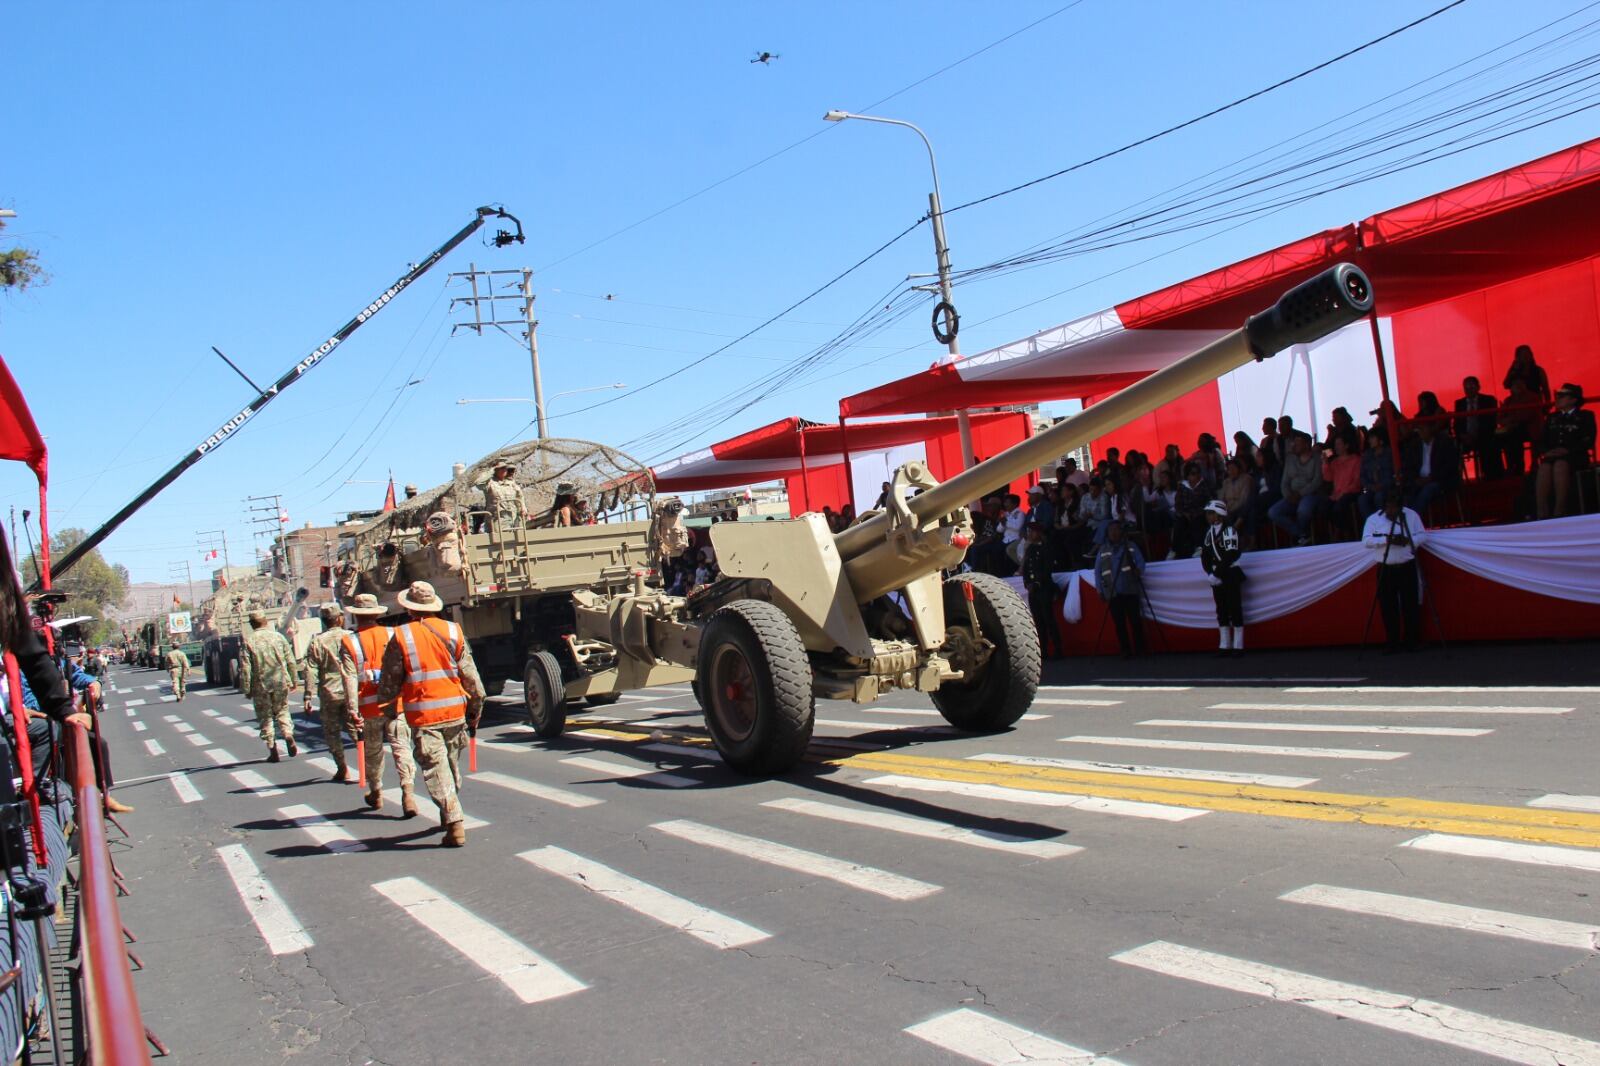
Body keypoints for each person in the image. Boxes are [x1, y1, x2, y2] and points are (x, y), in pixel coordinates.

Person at [375, 581, 486, 847]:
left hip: (424, 716)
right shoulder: (453, 631)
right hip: (455, 713)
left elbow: (390, 681)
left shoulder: (402, 636)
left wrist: (389, 710)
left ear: (409, 609)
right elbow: (472, 679)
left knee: (437, 769)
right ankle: (449, 813)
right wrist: (475, 710)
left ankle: (455, 822)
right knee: (449, 766)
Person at [342, 594, 417, 817]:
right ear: (377, 613)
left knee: (373, 752)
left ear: (355, 615)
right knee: (401, 748)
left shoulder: (349, 642)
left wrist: (352, 711)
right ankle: (408, 793)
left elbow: (349, 678)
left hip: (368, 707)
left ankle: (376, 792)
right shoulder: (392, 633)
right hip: (395, 704)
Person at [301, 604, 359, 783]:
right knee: (356, 728)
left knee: (332, 732)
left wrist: (308, 695)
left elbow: (310, 670)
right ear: (340, 618)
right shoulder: (351, 637)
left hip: (329, 692)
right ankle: (368, 764)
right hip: (352, 691)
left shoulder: (317, 641)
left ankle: (342, 768)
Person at [1362, 494, 1427, 653]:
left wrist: (1409, 540)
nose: (1391, 510)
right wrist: (1386, 540)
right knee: (1387, 606)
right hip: (1385, 567)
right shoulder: (1373, 519)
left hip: (1406, 565)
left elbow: (1423, 535)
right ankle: (1392, 642)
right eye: (1388, 507)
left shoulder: (1411, 515)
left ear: (1400, 506)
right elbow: (1366, 541)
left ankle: (1411, 641)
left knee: (1410, 604)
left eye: (1394, 507)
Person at [237, 610, 300, 762]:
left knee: (265, 717)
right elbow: (290, 660)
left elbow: (246, 668)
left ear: (252, 624)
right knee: (282, 710)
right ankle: (287, 734)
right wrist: (294, 680)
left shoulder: (248, 641)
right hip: (280, 681)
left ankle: (273, 750)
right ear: (266, 621)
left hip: (261, 685)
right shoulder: (278, 637)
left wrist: (246, 688)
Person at [1534, 382, 1596, 519]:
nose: (1557, 398)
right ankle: (1541, 512)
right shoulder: (1552, 418)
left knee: (1560, 466)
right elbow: (1541, 440)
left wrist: (1568, 451)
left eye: (1562, 396)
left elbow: (1588, 439)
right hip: (1553, 456)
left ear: (1573, 399)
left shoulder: (1586, 416)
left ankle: (1559, 511)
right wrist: (1546, 451)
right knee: (1544, 468)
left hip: (1576, 457)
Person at [1199, 500, 1246, 656]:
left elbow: (1230, 554)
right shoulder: (1209, 533)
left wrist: (1217, 573)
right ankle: (1224, 645)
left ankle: (1238, 646)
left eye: (1210, 513)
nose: (1208, 516)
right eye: (1208, 513)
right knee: (1221, 610)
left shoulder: (1229, 531)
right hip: (1216, 576)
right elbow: (1204, 555)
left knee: (1235, 608)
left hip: (1230, 574)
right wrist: (1210, 573)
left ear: (1219, 514)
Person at [1094, 520, 1146, 657]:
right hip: (1112, 592)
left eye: (1117, 529)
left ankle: (1140, 649)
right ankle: (1125, 650)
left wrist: (1139, 571)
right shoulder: (1103, 550)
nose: (1114, 532)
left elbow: (1140, 562)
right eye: (1111, 530)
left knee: (1135, 621)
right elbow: (1098, 571)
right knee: (1119, 623)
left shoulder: (1130, 546)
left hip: (1130, 589)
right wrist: (1099, 590)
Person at [1269, 432, 1327, 546]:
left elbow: (1317, 481)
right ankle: (1302, 534)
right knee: (1273, 512)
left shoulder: (1316, 458)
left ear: (1306, 444)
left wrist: (1300, 494)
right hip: (1291, 495)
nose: (1293, 446)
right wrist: (1288, 495)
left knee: (1303, 511)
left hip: (1311, 494)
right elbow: (1284, 481)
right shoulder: (1290, 459)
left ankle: (1302, 538)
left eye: (1297, 444)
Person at [1020, 523, 1059, 659]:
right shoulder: (1030, 548)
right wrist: (1026, 582)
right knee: (1038, 621)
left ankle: (1058, 649)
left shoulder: (1046, 548)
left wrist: (1036, 583)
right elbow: (1026, 568)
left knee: (1049, 619)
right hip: (1033, 589)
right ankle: (1043, 651)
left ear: (1039, 533)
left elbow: (1046, 569)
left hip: (1043, 588)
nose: (1030, 534)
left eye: (1032, 532)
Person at [1453, 376, 1502, 478]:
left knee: (1491, 443)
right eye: (1466, 388)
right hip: (1465, 438)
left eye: (1471, 387)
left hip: (1484, 435)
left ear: (1478, 387)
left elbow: (1491, 421)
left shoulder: (1489, 400)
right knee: (1452, 448)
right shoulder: (1459, 403)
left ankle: (1491, 476)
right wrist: (1463, 435)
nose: (1469, 390)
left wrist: (1478, 434)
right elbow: (1457, 424)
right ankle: (1455, 479)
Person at [1496, 376, 1543, 476]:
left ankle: (1518, 467)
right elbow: (1500, 416)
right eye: (1515, 385)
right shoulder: (1508, 400)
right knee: (1499, 438)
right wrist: (1505, 421)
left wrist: (1510, 420)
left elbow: (1527, 414)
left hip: (1529, 427)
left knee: (1513, 436)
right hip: (1513, 428)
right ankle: (1508, 467)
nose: (1518, 387)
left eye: (1520, 384)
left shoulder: (1533, 397)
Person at [1325, 434, 1363, 538]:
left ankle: (1344, 533)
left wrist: (1343, 493)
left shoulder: (1356, 460)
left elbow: (1356, 481)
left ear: (1346, 446)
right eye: (1335, 444)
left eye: (1339, 444)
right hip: (1337, 493)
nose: (1336, 447)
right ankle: (1336, 531)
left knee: (1339, 508)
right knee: (1323, 507)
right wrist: (1324, 463)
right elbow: (1328, 478)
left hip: (1352, 492)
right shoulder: (1334, 462)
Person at [1358, 431, 1396, 520]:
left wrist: (1382, 485)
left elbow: (1393, 473)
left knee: (1379, 497)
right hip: (1371, 488)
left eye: (1372, 438)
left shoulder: (1389, 454)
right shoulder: (1367, 455)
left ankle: (1384, 523)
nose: (1369, 440)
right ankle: (1372, 524)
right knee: (1362, 499)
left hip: (1388, 488)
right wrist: (1370, 486)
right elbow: (1362, 476)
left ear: (1381, 440)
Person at [1218, 456, 1256, 546]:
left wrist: (1231, 509)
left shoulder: (1246, 479)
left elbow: (1244, 498)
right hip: (1228, 508)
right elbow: (1222, 498)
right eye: (1229, 469)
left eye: (1233, 469)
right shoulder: (1226, 482)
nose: (1231, 471)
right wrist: (1224, 509)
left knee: (1244, 512)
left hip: (1241, 507)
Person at [477, 462, 527, 530]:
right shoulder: (489, 483)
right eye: (501, 468)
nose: (504, 470)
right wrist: (491, 470)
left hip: (513, 518)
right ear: (496, 470)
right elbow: (478, 483)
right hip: (497, 520)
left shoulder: (511, 483)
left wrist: (523, 508)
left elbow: (519, 497)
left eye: (505, 468)